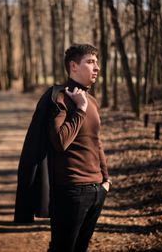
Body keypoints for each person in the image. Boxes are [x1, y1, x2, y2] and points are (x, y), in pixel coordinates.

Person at [47, 43, 111, 252]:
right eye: (90, 62)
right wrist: (80, 109)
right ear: (73, 66)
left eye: (97, 62)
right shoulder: (60, 98)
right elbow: (60, 142)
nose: (97, 67)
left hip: (96, 189)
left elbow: (96, 141)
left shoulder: (91, 99)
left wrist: (106, 180)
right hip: (71, 191)